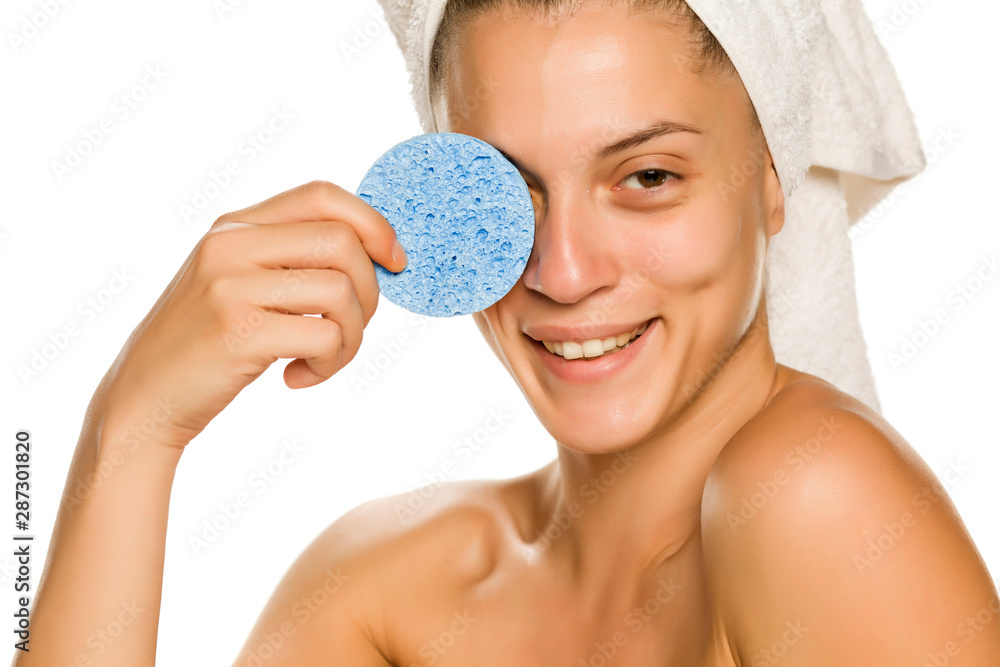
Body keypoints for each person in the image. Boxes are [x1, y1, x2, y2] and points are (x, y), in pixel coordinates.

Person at [17, 0, 1000, 665]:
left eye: (647, 177)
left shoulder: (813, 491)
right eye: (504, 191)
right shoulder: (383, 577)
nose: (565, 271)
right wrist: (132, 433)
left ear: (771, 180)